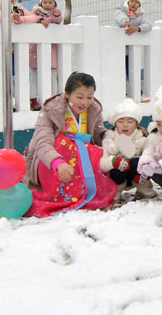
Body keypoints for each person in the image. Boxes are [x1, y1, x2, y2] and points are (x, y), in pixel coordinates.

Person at [23, 71, 117, 215]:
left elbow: (99, 134)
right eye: (79, 97)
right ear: (67, 94)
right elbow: (43, 143)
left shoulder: (93, 109)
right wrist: (57, 163)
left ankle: (83, 193)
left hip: (80, 162)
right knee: (64, 142)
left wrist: (116, 135)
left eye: (89, 97)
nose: (84, 102)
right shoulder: (52, 111)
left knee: (95, 152)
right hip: (51, 163)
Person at [15, 0, 63, 104]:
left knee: (51, 76)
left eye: (50, 2)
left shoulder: (56, 14)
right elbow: (32, 19)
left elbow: (58, 19)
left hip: (51, 51)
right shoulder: (36, 13)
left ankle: (54, 98)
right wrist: (42, 20)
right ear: (40, 3)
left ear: (55, 4)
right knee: (35, 76)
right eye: (45, 2)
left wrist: (50, 18)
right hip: (36, 51)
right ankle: (33, 98)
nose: (47, 5)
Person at [99, 98, 150, 202]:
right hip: (117, 175)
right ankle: (115, 191)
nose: (125, 125)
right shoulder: (109, 139)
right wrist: (113, 162)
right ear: (115, 123)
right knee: (116, 171)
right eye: (121, 121)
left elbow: (149, 156)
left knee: (138, 162)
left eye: (130, 121)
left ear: (137, 124)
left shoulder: (142, 139)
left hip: (136, 176)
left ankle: (142, 188)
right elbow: (102, 164)